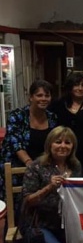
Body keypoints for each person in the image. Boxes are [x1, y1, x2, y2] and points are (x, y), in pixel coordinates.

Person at [20, 126, 82, 243]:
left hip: (68, 223)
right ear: (49, 144)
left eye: (67, 142)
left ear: (73, 146)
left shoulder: (75, 166)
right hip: (39, 224)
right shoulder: (36, 166)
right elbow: (28, 201)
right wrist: (49, 187)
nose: (62, 146)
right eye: (58, 142)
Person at [0, 80, 59, 208]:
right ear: (30, 97)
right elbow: (16, 143)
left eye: (47, 95)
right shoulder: (16, 115)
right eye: (39, 95)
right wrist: (30, 164)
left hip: (43, 169)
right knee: (19, 207)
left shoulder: (53, 118)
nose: (43, 99)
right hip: (18, 167)